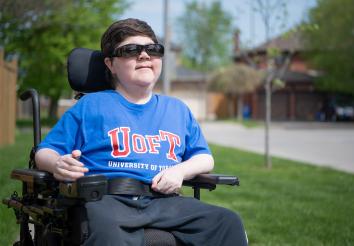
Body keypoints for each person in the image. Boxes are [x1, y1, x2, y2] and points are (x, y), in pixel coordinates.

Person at [35, 18, 248, 246]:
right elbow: (44, 152)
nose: (144, 55)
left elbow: (204, 158)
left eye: (153, 49)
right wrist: (58, 163)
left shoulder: (177, 109)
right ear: (110, 64)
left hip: (165, 201)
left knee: (228, 222)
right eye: (131, 50)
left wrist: (180, 171)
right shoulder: (91, 106)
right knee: (109, 237)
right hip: (108, 199)